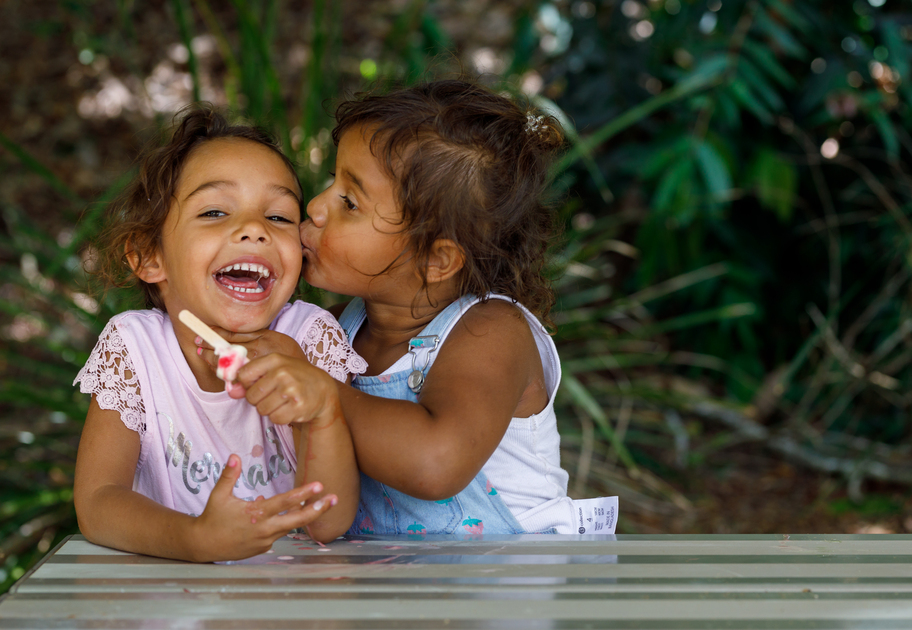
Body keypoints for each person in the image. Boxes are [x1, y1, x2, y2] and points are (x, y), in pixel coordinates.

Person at [199, 79, 618, 536]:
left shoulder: (492, 331)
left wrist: (319, 391)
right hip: (395, 585)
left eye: (350, 203)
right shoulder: (336, 330)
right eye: (331, 184)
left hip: (510, 584)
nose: (315, 208)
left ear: (437, 259)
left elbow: (436, 464)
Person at [72, 106, 366, 562]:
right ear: (151, 257)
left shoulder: (310, 339)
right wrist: (195, 539)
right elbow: (96, 504)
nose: (253, 230)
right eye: (214, 211)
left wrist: (323, 408)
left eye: (280, 217)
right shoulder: (135, 350)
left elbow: (328, 521)